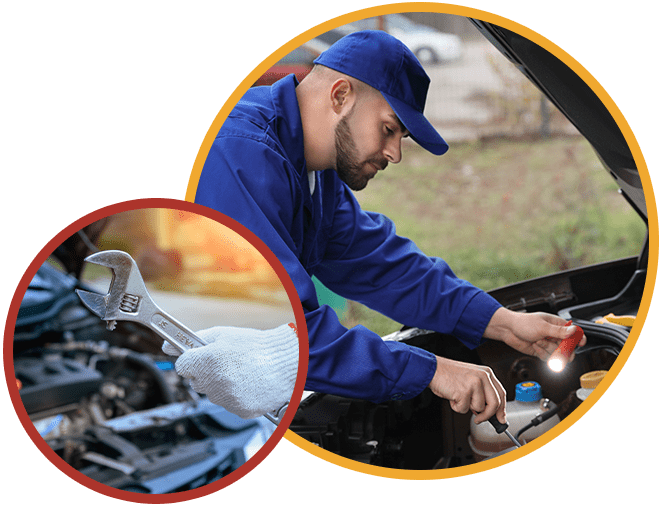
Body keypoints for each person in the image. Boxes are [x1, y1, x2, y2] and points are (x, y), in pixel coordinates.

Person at [181, 30, 584, 423]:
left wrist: (502, 321)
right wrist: (432, 370)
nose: (395, 153)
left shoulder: (317, 177)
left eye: (401, 137)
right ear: (340, 96)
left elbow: (384, 267)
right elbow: (281, 331)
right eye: (389, 129)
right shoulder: (240, 154)